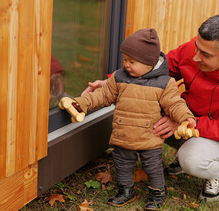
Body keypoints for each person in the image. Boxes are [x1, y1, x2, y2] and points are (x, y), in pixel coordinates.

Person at [83, 15, 219, 203]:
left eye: (205, 55)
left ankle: (218, 173)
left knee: (191, 159)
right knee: (147, 112)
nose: (195, 56)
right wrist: (110, 83)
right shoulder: (199, 48)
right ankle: (188, 151)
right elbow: (156, 71)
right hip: (185, 118)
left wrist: (187, 123)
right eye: (196, 48)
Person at [73, 28, 196, 210]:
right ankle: (125, 190)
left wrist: (185, 117)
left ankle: (157, 192)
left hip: (150, 136)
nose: (127, 65)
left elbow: (174, 104)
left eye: (132, 61)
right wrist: (83, 102)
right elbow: (103, 95)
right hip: (124, 134)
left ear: (149, 63)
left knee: (152, 167)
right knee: (122, 164)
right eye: (125, 60)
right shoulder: (120, 77)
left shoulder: (164, 83)